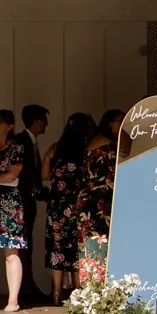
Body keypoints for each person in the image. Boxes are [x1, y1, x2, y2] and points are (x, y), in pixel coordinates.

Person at [42, 112, 96, 302]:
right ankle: (78, 293)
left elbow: (45, 175)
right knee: (76, 249)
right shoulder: (86, 150)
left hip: (57, 206)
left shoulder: (56, 148)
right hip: (78, 205)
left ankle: (56, 293)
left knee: (57, 249)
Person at [0, 108, 29, 314]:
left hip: (8, 202)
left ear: (10, 126)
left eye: (1, 121)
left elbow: (11, 176)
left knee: (11, 252)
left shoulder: (17, 147)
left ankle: (13, 300)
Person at [74, 113, 121, 288]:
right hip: (99, 201)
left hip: (88, 199)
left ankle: (89, 288)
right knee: (99, 242)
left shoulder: (93, 142)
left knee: (88, 245)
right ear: (110, 123)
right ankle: (98, 287)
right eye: (120, 120)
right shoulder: (108, 147)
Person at [15, 105, 51, 305]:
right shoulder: (22, 142)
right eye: (44, 119)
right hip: (23, 200)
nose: (46, 124)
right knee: (24, 245)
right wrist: (39, 192)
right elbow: (27, 173)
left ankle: (27, 286)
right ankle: (25, 288)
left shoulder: (30, 142)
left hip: (28, 200)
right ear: (36, 121)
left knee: (26, 245)